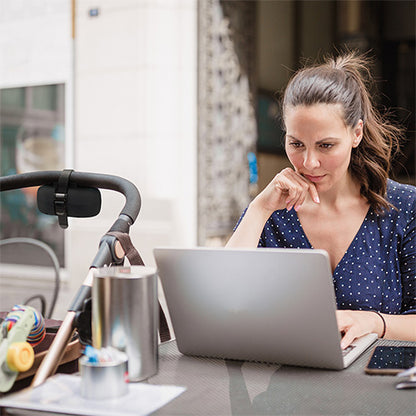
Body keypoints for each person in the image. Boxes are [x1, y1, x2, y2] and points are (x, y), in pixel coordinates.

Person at [226, 52, 416, 348]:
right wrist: (260, 208)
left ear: (357, 133)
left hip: (376, 386)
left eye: (326, 145)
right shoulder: (272, 211)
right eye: (296, 144)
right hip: (284, 384)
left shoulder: (405, 208)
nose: (309, 162)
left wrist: (374, 322)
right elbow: (224, 303)